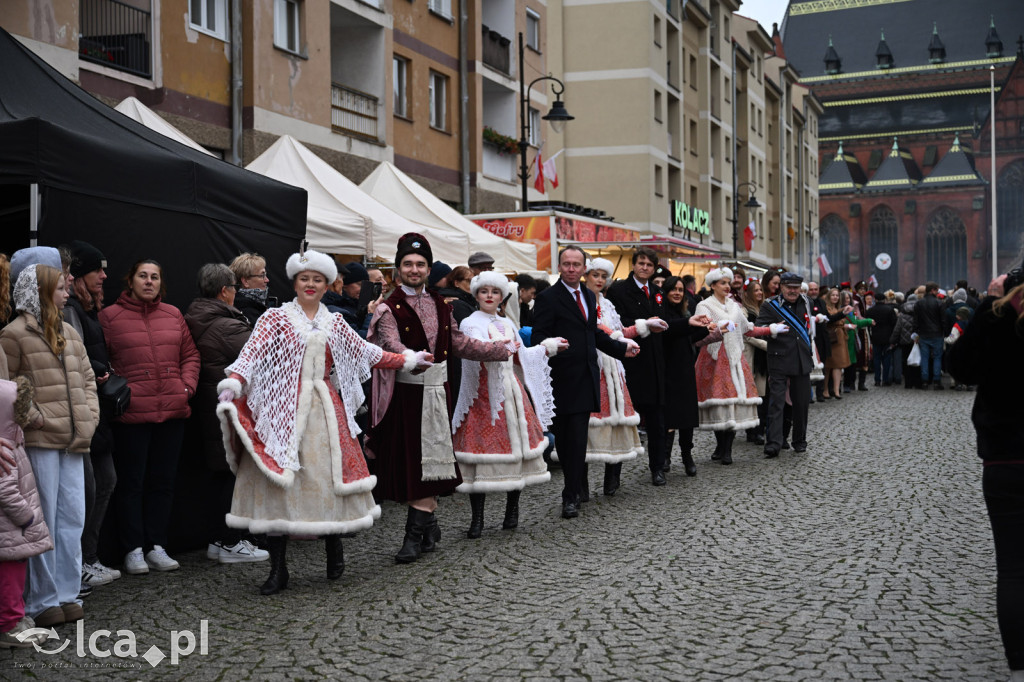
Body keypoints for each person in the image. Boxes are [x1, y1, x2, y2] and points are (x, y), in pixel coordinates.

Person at [217, 249, 425, 595]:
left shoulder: (336, 322)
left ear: (328, 284)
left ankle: (333, 546)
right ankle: (278, 568)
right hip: (283, 408)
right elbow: (251, 355)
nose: (310, 284)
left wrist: (406, 360)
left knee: (327, 479)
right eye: (304, 279)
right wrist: (235, 382)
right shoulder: (275, 319)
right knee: (280, 484)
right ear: (295, 282)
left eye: (317, 279)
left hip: (325, 410)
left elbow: (366, 352)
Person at [367, 234, 510, 564]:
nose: (414, 269)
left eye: (420, 264)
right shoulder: (389, 307)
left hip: (438, 392)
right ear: (398, 269)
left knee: (429, 464)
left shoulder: (440, 304)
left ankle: (414, 535)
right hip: (403, 395)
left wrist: (500, 349)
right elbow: (388, 344)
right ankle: (428, 525)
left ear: (429, 269)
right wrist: (410, 357)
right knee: (409, 464)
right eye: (408, 264)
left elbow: (458, 343)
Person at [2, 264, 99, 627]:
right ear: (41, 291)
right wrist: (36, 418)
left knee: (72, 517)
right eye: (59, 288)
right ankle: (41, 600)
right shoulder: (14, 334)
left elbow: (87, 377)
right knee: (43, 519)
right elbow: (6, 389)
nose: (66, 293)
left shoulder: (70, 331)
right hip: (41, 441)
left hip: (74, 440)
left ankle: (66, 593)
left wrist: (89, 416)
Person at [100, 260, 200, 575]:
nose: (149, 281)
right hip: (132, 416)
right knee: (131, 484)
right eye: (142, 276)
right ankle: (132, 549)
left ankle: (157, 546)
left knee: (163, 483)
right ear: (130, 281)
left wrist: (186, 388)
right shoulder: (109, 317)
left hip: (172, 413)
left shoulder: (173, 315)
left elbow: (191, 355)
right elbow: (100, 361)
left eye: (154, 276)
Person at [949, 271, 1024, 682]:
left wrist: (987, 305)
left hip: (1006, 458)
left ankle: (1019, 664)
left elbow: (959, 367)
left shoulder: (997, 316)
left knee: (1014, 568)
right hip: (1006, 457)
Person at [453, 272, 562, 538]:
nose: (489, 296)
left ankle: (512, 510)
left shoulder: (508, 323)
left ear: (502, 297)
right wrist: (504, 346)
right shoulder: (469, 322)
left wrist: (546, 347)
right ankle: (476, 518)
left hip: (512, 393)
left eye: (495, 292)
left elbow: (520, 357)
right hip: (482, 396)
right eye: (484, 291)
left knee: (518, 450)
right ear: (476, 295)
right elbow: (478, 349)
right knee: (479, 455)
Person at [532, 246, 638, 519]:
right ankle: (574, 488)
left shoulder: (589, 297)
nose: (571, 268)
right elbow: (538, 338)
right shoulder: (547, 298)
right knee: (566, 441)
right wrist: (551, 345)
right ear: (559, 267)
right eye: (566, 264)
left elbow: (593, 335)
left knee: (578, 439)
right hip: (561, 379)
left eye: (576, 264)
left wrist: (620, 348)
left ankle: (572, 496)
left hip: (586, 377)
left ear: (583, 269)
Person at [184, 264, 268, 565]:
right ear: (224, 291)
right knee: (232, 475)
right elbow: (263, 358)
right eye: (234, 287)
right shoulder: (226, 325)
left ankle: (223, 539)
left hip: (211, 406)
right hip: (227, 409)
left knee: (222, 474)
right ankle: (230, 540)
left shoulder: (198, 315)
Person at [62, 241, 122, 590]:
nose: (104, 276)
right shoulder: (71, 309)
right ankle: (81, 562)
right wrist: (98, 371)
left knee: (104, 482)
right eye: (96, 270)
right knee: (87, 488)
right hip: (82, 410)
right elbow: (74, 358)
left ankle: (87, 558)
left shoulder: (85, 309)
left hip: (93, 409)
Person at [694, 268, 782, 465]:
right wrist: (718, 328)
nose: (727, 286)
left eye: (728, 283)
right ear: (713, 285)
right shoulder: (704, 306)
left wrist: (771, 329)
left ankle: (727, 450)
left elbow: (748, 329)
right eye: (723, 283)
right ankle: (720, 445)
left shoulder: (735, 306)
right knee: (718, 404)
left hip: (734, 358)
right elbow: (700, 334)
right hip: (714, 359)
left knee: (732, 403)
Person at [606, 247, 671, 485]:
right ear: (633, 265)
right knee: (623, 420)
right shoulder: (618, 290)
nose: (645, 268)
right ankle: (613, 475)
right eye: (641, 263)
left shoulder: (658, 292)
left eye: (649, 265)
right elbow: (616, 323)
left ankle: (657, 468)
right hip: (630, 361)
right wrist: (643, 324)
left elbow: (667, 323)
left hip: (654, 363)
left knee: (657, 422)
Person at [583, 259, 647, 495]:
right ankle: (582, 484)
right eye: (595, 275)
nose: (599, 280)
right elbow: (599, 330)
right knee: (589, 425)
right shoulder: (580, 301)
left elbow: (621, 330)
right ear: (586, 276)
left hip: (614, 368)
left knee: (618, 421)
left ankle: (613, 477)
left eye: (603, 276)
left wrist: (643, 326)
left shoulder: (608, 304)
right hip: (593, 366)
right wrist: (618, 337)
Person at [0, 376, 52, 648]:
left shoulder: (9, 444)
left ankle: (15, 618)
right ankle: (10, 626)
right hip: (11, 530)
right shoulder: (5, 450)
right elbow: (6, 491)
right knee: (10, 577)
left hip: (12, 531)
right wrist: (26, 518)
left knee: (14, 576)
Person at [755, 272, 819, 458]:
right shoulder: (770, 305)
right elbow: (760, 328)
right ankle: (773, 444)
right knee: (777, 403)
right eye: (789, 287)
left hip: (801, 359)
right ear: (781, 287)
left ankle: (799, 440)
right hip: (779, 359)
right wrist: (772, 330)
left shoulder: (807, 302)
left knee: (801, 404)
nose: (792, 291)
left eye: (796, 287)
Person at [660, 275, 712, 476]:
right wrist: (688, 324)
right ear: (666, 291)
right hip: (667, 368)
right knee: (670, 416)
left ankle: (686, 455)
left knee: (687, 417)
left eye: (680, 290)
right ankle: (665, 456)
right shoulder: (662, 313)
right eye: (673, 289)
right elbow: (670, 331)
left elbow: (688, 338)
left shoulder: (685, 311)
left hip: (685, 368)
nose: (677, 293)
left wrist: (707, 330)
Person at [741, 280, 768, 444]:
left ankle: (760, 428)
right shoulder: (744, 311)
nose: (759, 293)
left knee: (763, 394)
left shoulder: (764, 309)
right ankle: (752, 430)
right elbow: (747, 334)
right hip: (752, 356)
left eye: (760, 290)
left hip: (764, 358)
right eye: (756, 290)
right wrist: (766, 345)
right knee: (752, 395)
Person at [914, 282, 945, 389]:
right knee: (937, 358)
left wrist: (916, 332)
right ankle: (936, 381)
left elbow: (916, 321)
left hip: (923, 334)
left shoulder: (919, 303)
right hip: (937, 334)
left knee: (924, 358)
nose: (938, 292)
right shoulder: (939, 303)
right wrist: (944, 332)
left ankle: (925, 381)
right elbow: (943, 320)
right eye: (937, 290)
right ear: (933, 290)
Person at [229, 253, 273, 326]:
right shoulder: (247, 314)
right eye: (262, 275)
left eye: (265, 275)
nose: (267, 280)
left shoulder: (256, 307)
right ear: (245, 281)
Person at [865, 290, 898, 386]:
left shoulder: (870, 311)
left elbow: (868, 324)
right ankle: (885, 379)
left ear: (875, 299)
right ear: (884, 300)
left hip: (875, 337)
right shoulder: (889, 310)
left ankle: (877, 380)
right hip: (887, 337)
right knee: (887, 359)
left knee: (876, 359)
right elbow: (894, 324)